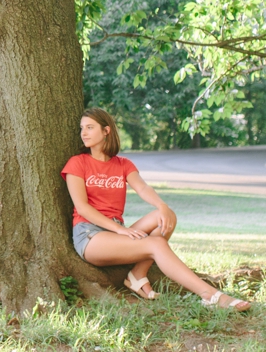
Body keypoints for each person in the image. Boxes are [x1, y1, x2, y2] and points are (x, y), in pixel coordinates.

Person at [64, 108, 250, 311]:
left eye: (90, 127)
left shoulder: (122, 164)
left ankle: (137, 274)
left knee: (165, 216)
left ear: (106, 130)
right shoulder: (78, 163)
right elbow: (82, 207)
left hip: (115, 230)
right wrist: (120, 230)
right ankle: (212, 296)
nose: (84, 133)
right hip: (90, 235)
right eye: (82, 128)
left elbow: (143, 187)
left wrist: (162, 205)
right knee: (156, 245)